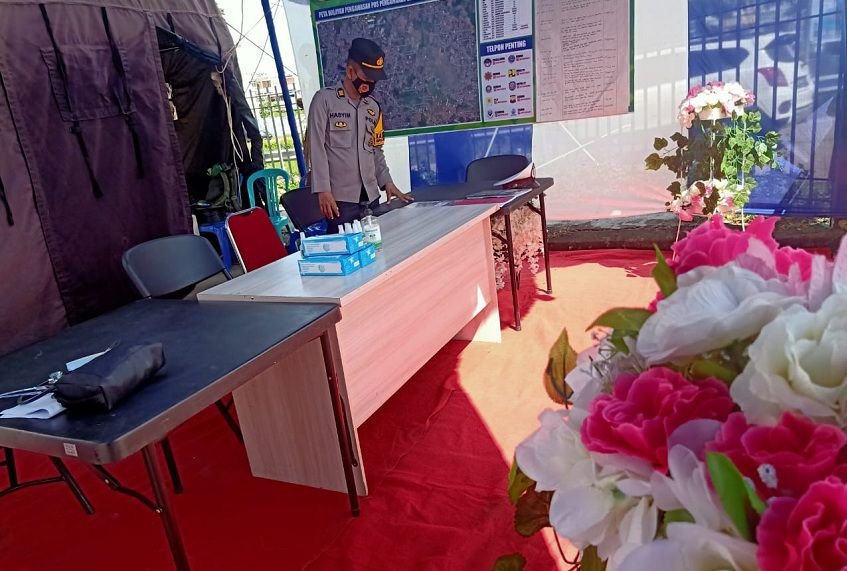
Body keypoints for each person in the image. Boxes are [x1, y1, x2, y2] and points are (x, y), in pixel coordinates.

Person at [307, 38, 412, 232]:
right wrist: (323, 190)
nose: (371, 83)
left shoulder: (373, 108)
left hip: (371, 197)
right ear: (350, 72)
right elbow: (315, 148)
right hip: (340, 201)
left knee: (378, 245)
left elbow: (376, 150)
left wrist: (387, 182)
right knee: (347, 248)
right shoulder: (324, 100)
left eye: (375, 79)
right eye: (367, 76)